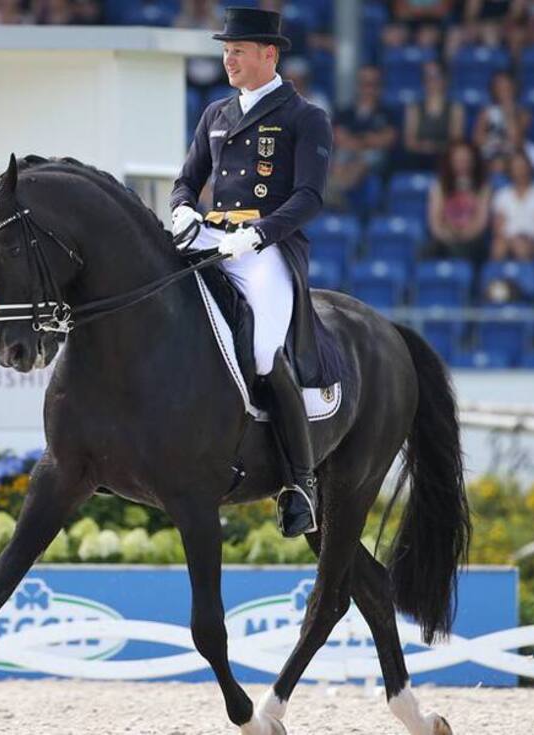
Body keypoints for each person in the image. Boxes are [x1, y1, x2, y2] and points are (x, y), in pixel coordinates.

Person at [170, 7, 334, 537]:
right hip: (214, 237)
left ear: (269, 54)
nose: (228, 60)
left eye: (237, 51)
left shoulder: (304, 116)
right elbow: (187, 179)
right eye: (225, 51)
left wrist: (260, 232)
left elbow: (309, 197)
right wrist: (182, 209)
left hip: (266, 247)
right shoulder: (215, 114)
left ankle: (301, 482)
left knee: (264, 352)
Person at [324, 65, 396, 211]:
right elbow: (338, 138)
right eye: (365, 84)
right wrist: (367, 140)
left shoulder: (387, 113)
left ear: (379, 86)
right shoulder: (345, 112)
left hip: (373, 159)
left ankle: (337, 192)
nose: (368, 89)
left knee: (368, 158)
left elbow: (387, 140)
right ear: (358, 86)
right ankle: (337, 192)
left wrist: (355, 141)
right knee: (339, 156)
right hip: (348, 155)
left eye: (373, 84)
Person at [426, 140, 493, 265]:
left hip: (473, 240)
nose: (462, 164)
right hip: (446, 237)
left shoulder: (483, 187)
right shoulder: (440, 186)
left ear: (473, 161)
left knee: (464, 251)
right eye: (458, 160)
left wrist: (464, 235)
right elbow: (435, 222)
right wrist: (448, 235)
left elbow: (481, 222)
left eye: (466, 160)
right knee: (427, 251)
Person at [491, 150, 534, 261]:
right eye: (516, 167)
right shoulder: (502, 195)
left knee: (522, 248)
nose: (520, 171)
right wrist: (513, 240)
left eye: (523, 167)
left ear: (529, 168)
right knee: (498, 247)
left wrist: (532, 239)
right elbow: (498, 228)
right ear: (510, 170)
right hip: (509, 239)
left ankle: (527, 271)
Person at [400, 60, 464, 172]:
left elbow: (456, 139)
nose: (432, 81)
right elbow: (409, 141)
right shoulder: (414, 108)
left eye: (436, 76)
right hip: (419, 158)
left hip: (445, 158)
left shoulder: (455, 108)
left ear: (445, 80)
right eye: (427, 77)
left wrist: (434, 147)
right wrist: (423, 147)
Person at [472, 71, 532, 175]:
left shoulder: (523, 114)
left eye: (506, 87)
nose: (503, 90)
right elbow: (477, 140)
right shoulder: (486, 112)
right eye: (499, 86)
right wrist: (496, 144)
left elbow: (516, 142)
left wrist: (509, 114)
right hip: (490, 155)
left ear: (514, 88)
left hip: (513, 157)